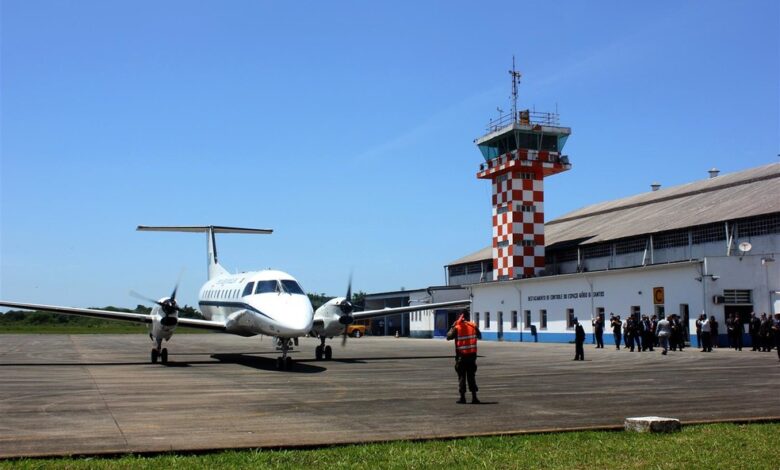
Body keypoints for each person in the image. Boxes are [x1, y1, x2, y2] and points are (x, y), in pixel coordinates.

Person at [446, 311, 481, 404]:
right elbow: (480, 335)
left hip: (462, 357)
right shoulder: (473, 326)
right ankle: (474, 397)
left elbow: (448, 337)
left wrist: (453, 326)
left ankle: (462, 398)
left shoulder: (457, 327)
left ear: (460, 318)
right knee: (471, 377)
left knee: (462, 377)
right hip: (472, 356)